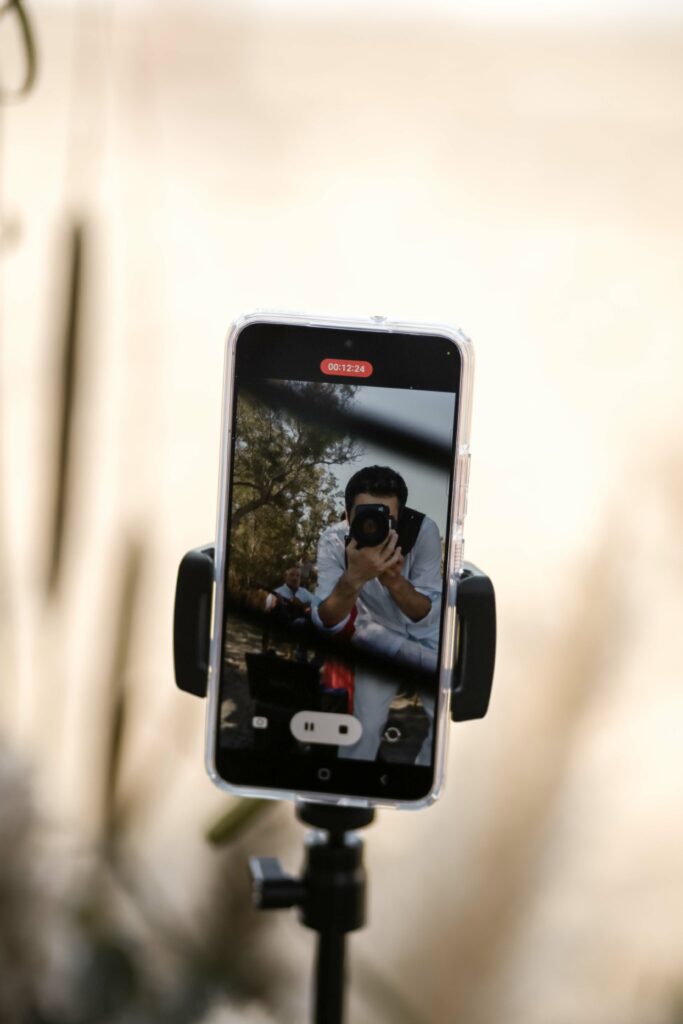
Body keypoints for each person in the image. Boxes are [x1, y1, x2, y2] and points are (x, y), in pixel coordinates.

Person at [312, 466, 442, 763]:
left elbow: (427, 613)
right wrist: (353, 578)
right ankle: (352, 786)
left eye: (385, 516)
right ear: (347, 516)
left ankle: (417, 779)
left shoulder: (423, 531)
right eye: (364, 515)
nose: (373, 525)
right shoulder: (333, 540)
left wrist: (393, 580)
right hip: (379, 638)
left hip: (429, 642)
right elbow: (326, 619)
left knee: (445, 722)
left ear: (401, 516)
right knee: (364, 728)